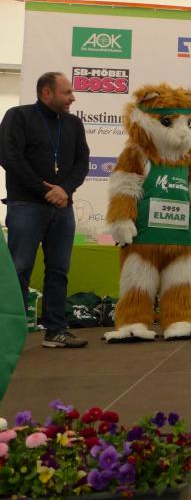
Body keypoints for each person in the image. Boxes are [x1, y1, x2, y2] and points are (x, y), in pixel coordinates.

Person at [0, 72, 89, 348]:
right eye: (67, 92)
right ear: (46, 93)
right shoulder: (18, 116)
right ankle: (9, 335)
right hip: (26, 206)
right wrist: (44, 190)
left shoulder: (73, 123)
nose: (72, 98)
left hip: (63, 208)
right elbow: (9, 157)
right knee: (19, 270)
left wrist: (65, 190)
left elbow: (82, 162)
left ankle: (56, 330)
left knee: (59, 270)